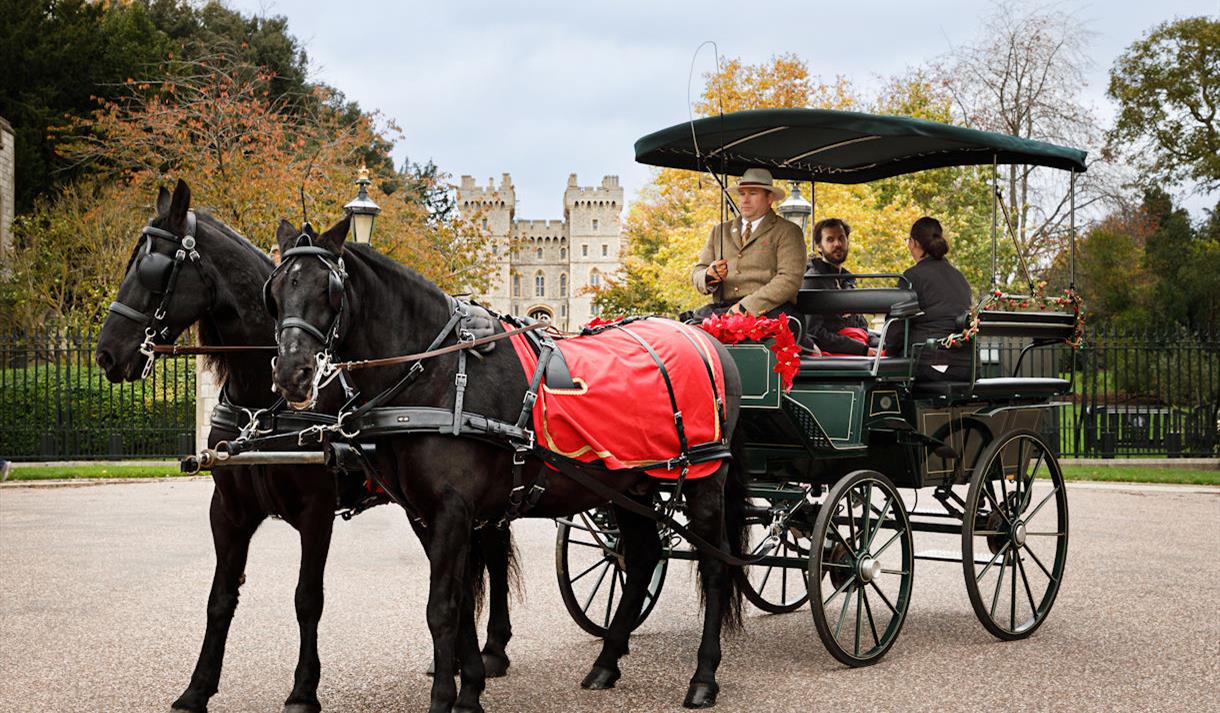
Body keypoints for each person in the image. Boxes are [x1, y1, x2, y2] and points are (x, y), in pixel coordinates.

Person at [690, 167, 806, 320]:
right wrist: (709, 275)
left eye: (752, 193)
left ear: (770, 197)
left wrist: (747, 307)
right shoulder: (720, 231)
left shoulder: (788, 231)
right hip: (724, 311)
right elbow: (698, 272)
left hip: (769, 313)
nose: (745, 199)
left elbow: (789, 279)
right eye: (742, 194)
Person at [885, 217, 973, 381]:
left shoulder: (912, 276)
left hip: (931, 366)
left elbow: (895, 330)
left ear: (914, 243)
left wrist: (887, 351)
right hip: (968, 366)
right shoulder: (960, 277)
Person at [803, 218, 877, 356]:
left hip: (858, 346)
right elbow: (815, 334)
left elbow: (861, 325)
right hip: (832, 355)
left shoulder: (847, 280)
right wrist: (861, 349)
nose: (837, 244)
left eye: (841, 238)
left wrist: (876, 342)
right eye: (830, 240)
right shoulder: (813, 281)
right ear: (819, 246)